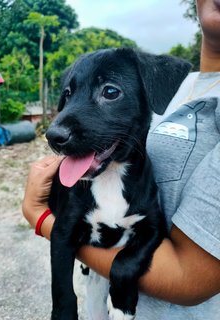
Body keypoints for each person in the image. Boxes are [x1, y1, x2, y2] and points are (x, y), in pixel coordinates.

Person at [22, 0, 220, 318]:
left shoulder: (159, 81)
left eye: (110, 92)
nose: (60, 125)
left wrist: (39, 217)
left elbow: (190, 277)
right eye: (69, 95)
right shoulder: (178, 86)